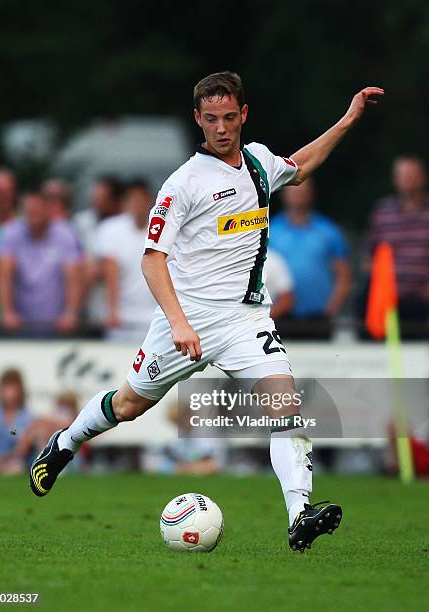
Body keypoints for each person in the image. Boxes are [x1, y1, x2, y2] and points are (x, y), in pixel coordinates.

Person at [29, 72, 384, 552]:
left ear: (244, 115)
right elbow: (152, 259)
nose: (221, 127)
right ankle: (65, 442)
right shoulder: (184, 183)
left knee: (286, 404)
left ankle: (300, 514)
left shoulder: (258, 162)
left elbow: (299, 167)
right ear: (198, 119)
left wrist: (348, 119)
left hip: (246, 319)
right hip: (189, 318)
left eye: (229, 117)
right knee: (130, 405)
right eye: (211, 119)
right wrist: (178, 321)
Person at [0, 191, 82, 337]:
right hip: (20, 323)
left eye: (36, 210)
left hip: (57, 324)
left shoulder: (65, 234)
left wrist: (70, 313)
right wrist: (7, 311)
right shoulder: (10, 233)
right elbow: (4, 274)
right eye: (28, 211)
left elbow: (73, 276)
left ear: (47, 210)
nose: (32, 215)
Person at [269, 178, 351, 321]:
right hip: (278, 315)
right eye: (294, 189)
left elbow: (343, 276)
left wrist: (330, 311)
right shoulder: (270, 230)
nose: (298, 194)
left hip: (319, 317)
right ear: (283, 194)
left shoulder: (328, 231)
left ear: (311, 194)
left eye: (302, 190)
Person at [361, 156, 429, 324]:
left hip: (423, 301)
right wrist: (380, 288)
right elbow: (367, 258)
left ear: (424, 178)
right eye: (404, 175)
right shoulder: (382, 212)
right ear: (395, 180)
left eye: (413, 175)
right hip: (387, 303)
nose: (408, 180)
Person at [95, 179, 157, 342]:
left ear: (149, 201)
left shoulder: (165, 228)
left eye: (141, 200)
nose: (137, 204)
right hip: (121, 321)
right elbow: (110, 272)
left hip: (156, 319)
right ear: (125, 202)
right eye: (133, 200)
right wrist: (112, 312)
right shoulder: (110, 229)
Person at [73, 176, 123, 333]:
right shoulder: (81, 223)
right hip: (88, 306)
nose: (97, 203)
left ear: (115, 201)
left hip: (120, 310)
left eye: (102, 199)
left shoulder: (126, 226)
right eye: (95, 198)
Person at [0, 369, 32, 473]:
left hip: (12, 462)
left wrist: (0, 462)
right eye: (6, 386)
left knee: (16, 468)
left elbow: (21, 450)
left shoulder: (27, 417)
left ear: (20, 390)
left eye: (13, 387)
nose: (9, 392)